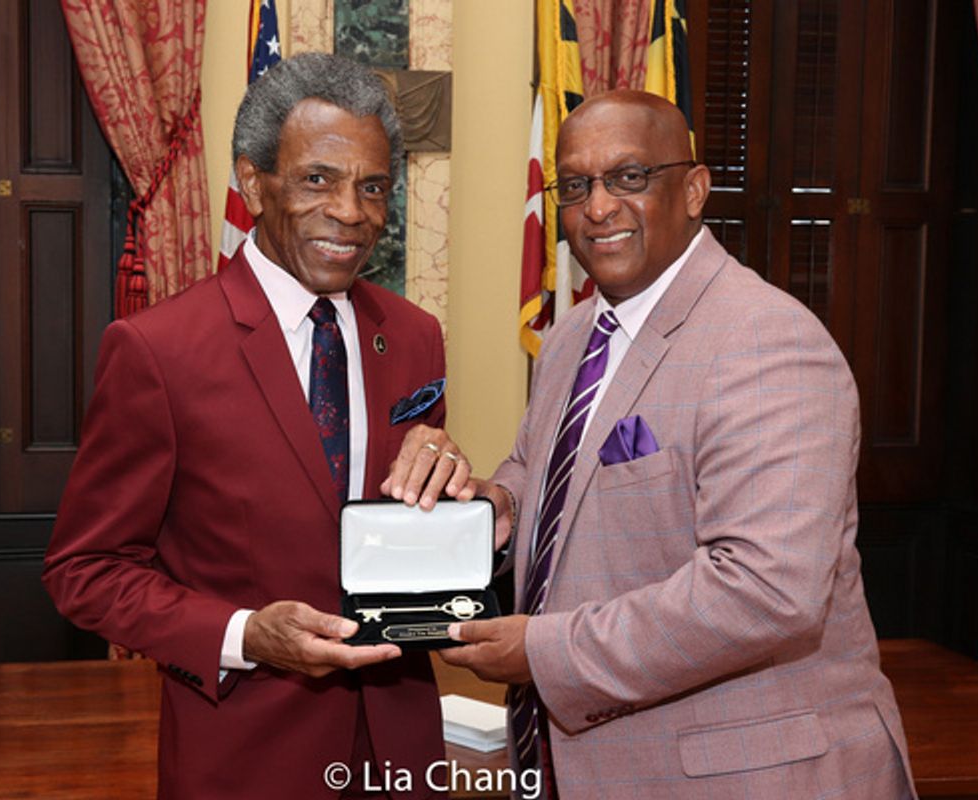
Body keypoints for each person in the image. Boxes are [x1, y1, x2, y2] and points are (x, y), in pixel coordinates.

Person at [386, 90, 916, 799]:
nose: (597, 207)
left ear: (695, 190)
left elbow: (766, 590)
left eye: (629, 177)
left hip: (744, 776)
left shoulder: (765, 341)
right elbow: (539, 468)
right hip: (589, 763)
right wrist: (496, 502)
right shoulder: (574, 335)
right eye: (574, 185)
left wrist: (544, 652)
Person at [43, 53, 463, 800]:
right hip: (244, 758)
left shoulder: (414, 335)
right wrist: (241, 634)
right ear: (252, 182)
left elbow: (408, 531)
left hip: (402, 752)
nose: (352, 212)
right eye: (318, 180)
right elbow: (86, 571)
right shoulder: (157, 350)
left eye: (372, 187)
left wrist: (468, 497)